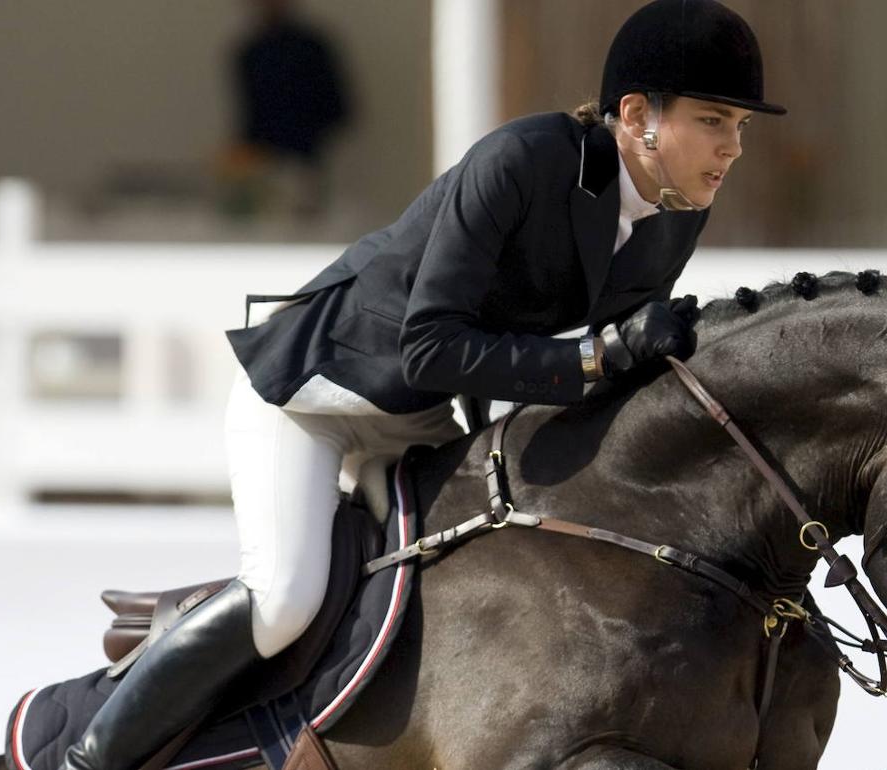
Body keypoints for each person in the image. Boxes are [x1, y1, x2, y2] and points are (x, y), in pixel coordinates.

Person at [58, 1, 786, 768]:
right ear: (636, 113)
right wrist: (595, 359)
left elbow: (611, 366)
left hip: (429, 420)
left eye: (740, 126)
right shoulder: (523, 160)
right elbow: (431, 345)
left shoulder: (677, 214)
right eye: (713, 120)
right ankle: (91, 758)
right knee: (283, 599)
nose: (732, 147)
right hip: (322, 396)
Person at [229, 0, 351, 216]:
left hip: (305, 163)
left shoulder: (311, 48)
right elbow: (250, 114)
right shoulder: (250, 52)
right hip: (262, 165)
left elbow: (337, 107)